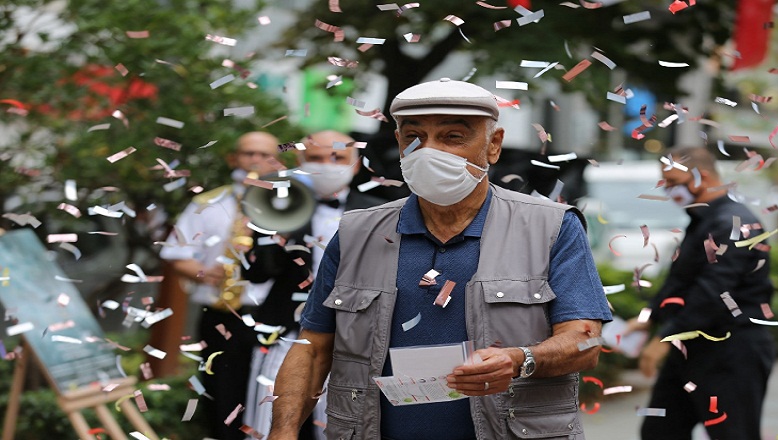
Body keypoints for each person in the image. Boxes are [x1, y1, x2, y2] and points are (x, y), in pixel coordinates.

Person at [267, 78, 612, 440]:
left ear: (493, 145)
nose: (428, 151)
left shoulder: (551, 227)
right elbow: (312, 349)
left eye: (452, 137)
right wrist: (283, 431)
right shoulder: (357, 233)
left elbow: (585, 342)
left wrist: (519, 359)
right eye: (414, 137)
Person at [242, 130, 384, 439]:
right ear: (301, 162)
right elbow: (257, 273)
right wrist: (267, 224)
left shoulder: (378, 212)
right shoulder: (280, 204)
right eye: (316, 158)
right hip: (283, 331)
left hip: (353, 335)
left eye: (337, 158)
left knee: (342, 423)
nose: (327, 165)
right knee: (267, 421)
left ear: (355, 164)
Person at [627, 146, 775, 439]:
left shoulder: (732, 224)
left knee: (733, 434)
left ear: (702, 177)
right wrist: (649, 316)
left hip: (731, 351)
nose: (669, 191)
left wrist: (665, 338)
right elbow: (681, 282)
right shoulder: (703, 221)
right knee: (660, 431)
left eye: (672, 182)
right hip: (690, 350)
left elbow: (714, 293)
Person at [159, 131, 282, 440]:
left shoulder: (288, 201)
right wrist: (203, 272)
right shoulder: (207, 202)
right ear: (233, 158)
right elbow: (175, 252)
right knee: (220, 394)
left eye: (264, 155)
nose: (256, 160)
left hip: (271, 316)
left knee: (269, 396)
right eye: (248, 153)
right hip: (221, 312)